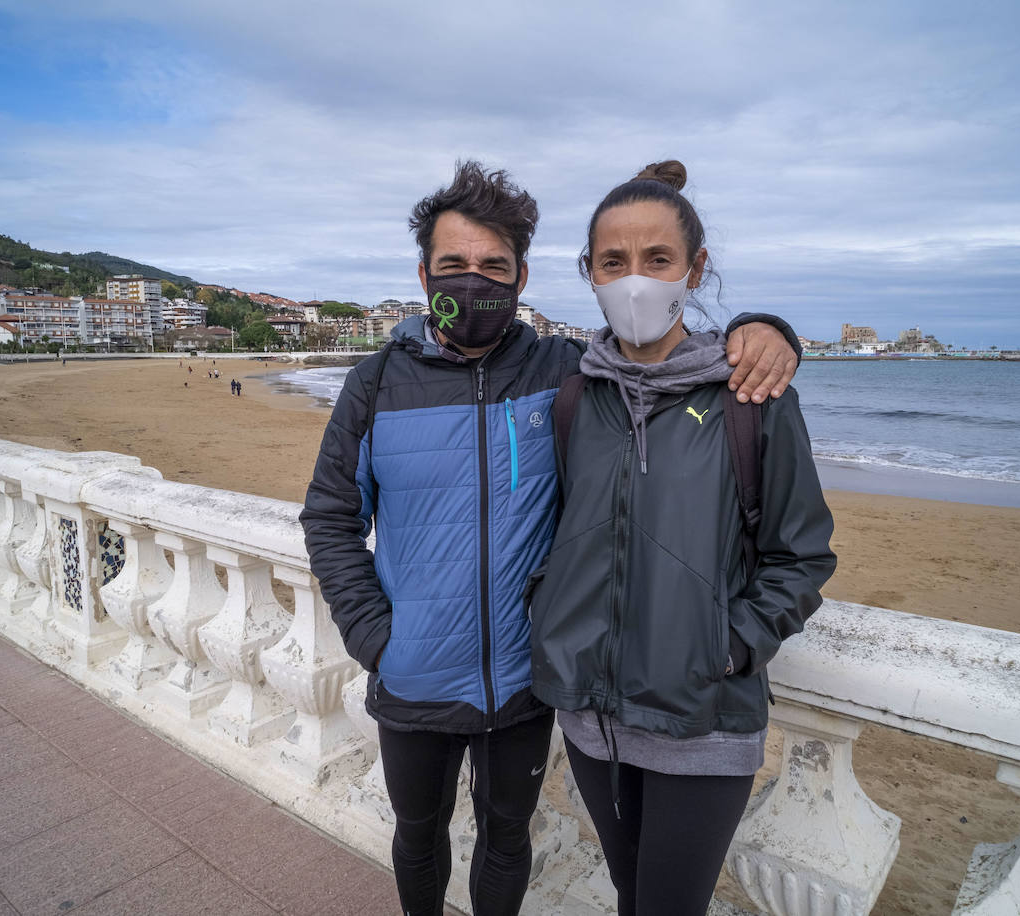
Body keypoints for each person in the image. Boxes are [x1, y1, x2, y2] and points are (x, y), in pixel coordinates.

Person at [300, 161, 802, 916]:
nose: (474, 282)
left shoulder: (563, 373)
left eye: (494, 267)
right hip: (413, 675)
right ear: (423, 271)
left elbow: (655, 360)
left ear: (523, 275)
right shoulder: (375, 383)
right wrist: (376, 636)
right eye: (454, 266)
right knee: (417, 832)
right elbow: (330, 516)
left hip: (528, 678)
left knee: (509, 836)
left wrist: (762, 330)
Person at [526, 160, 837, 916]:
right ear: (589, 273)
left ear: (695, 270)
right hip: (591, 717)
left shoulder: (752, 398)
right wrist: (555, 618)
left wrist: (727, 647)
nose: (635, 281)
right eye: (614, 262)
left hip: (702, 719)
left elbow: (802, 555)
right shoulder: (574, 397)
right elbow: (559, 531)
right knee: (632, 893)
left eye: (658, 260)